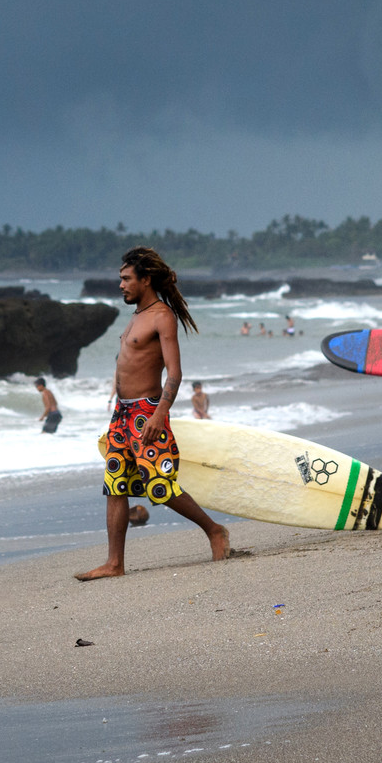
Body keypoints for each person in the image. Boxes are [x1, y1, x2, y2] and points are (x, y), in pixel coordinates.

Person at [77, 247, 231, 580]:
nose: (121, 285)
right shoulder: (135, 315)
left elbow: (174, 373)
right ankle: (114, 563)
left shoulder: (162, 316)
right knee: (115, 485)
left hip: (147, 412)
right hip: (122, 413)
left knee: (158, 486)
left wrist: (161, 413)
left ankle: (214, 530)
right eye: (120, 279)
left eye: (126, 278)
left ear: (146, 280)